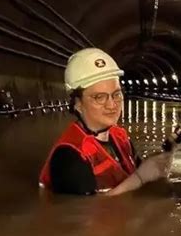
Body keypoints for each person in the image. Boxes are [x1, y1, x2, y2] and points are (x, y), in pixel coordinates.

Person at [40, 48, 173, 196]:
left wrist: (167, 152)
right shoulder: (68, 157)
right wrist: (140, 178)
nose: (112, 105)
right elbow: (83, 210)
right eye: (99, 97)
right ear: (77, 103)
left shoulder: (119, 137)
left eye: (116, 94)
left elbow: (142, 173)